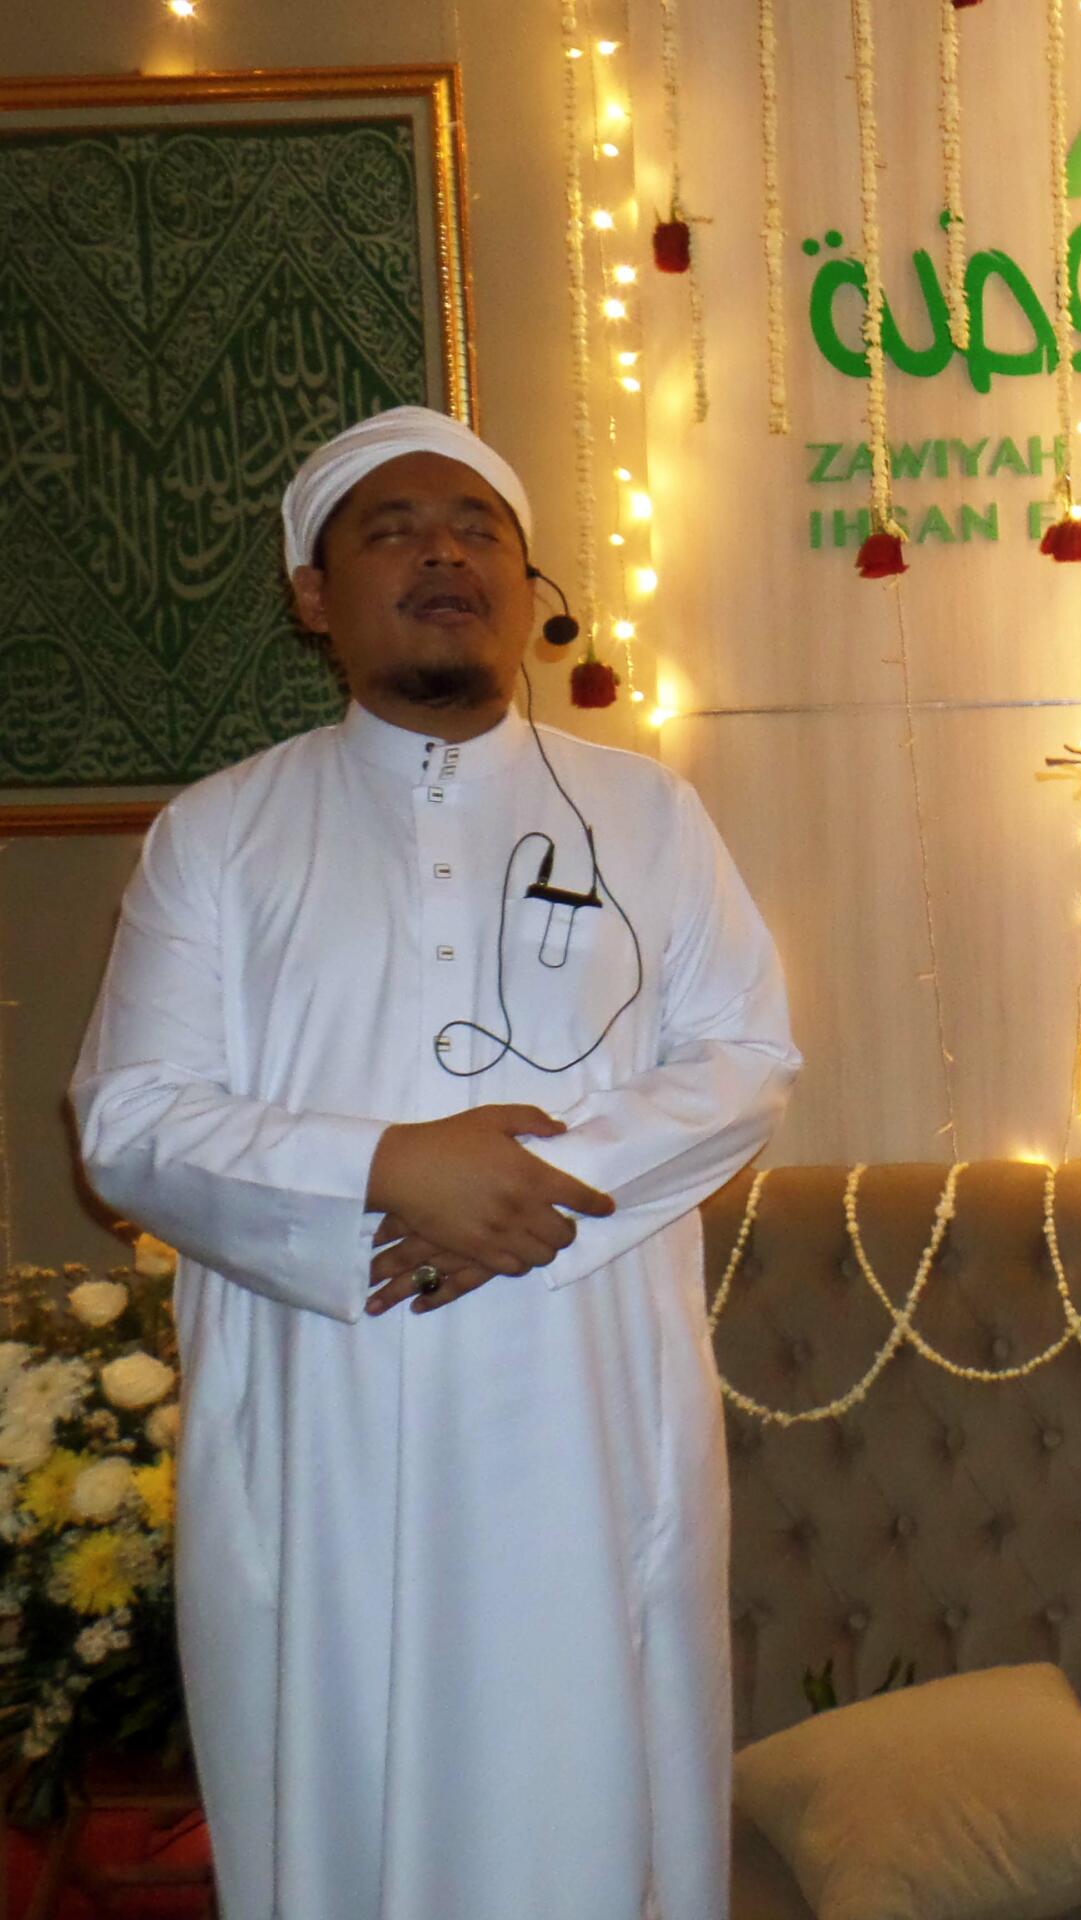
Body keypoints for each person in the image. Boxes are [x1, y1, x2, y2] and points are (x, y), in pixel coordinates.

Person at [71, 406, 800, 1920]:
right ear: (313, 594)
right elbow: (130, 1120)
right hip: (318, 1400)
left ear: (530, 589)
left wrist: (524, 1199)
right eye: (392, 528)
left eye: (478, 528)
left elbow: (746, 1060)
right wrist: (388, 1168)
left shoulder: (649, 814)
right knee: (333, 1774)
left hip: (586, 1390)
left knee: (596, 1779)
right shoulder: (218, 835)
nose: (444, 553)